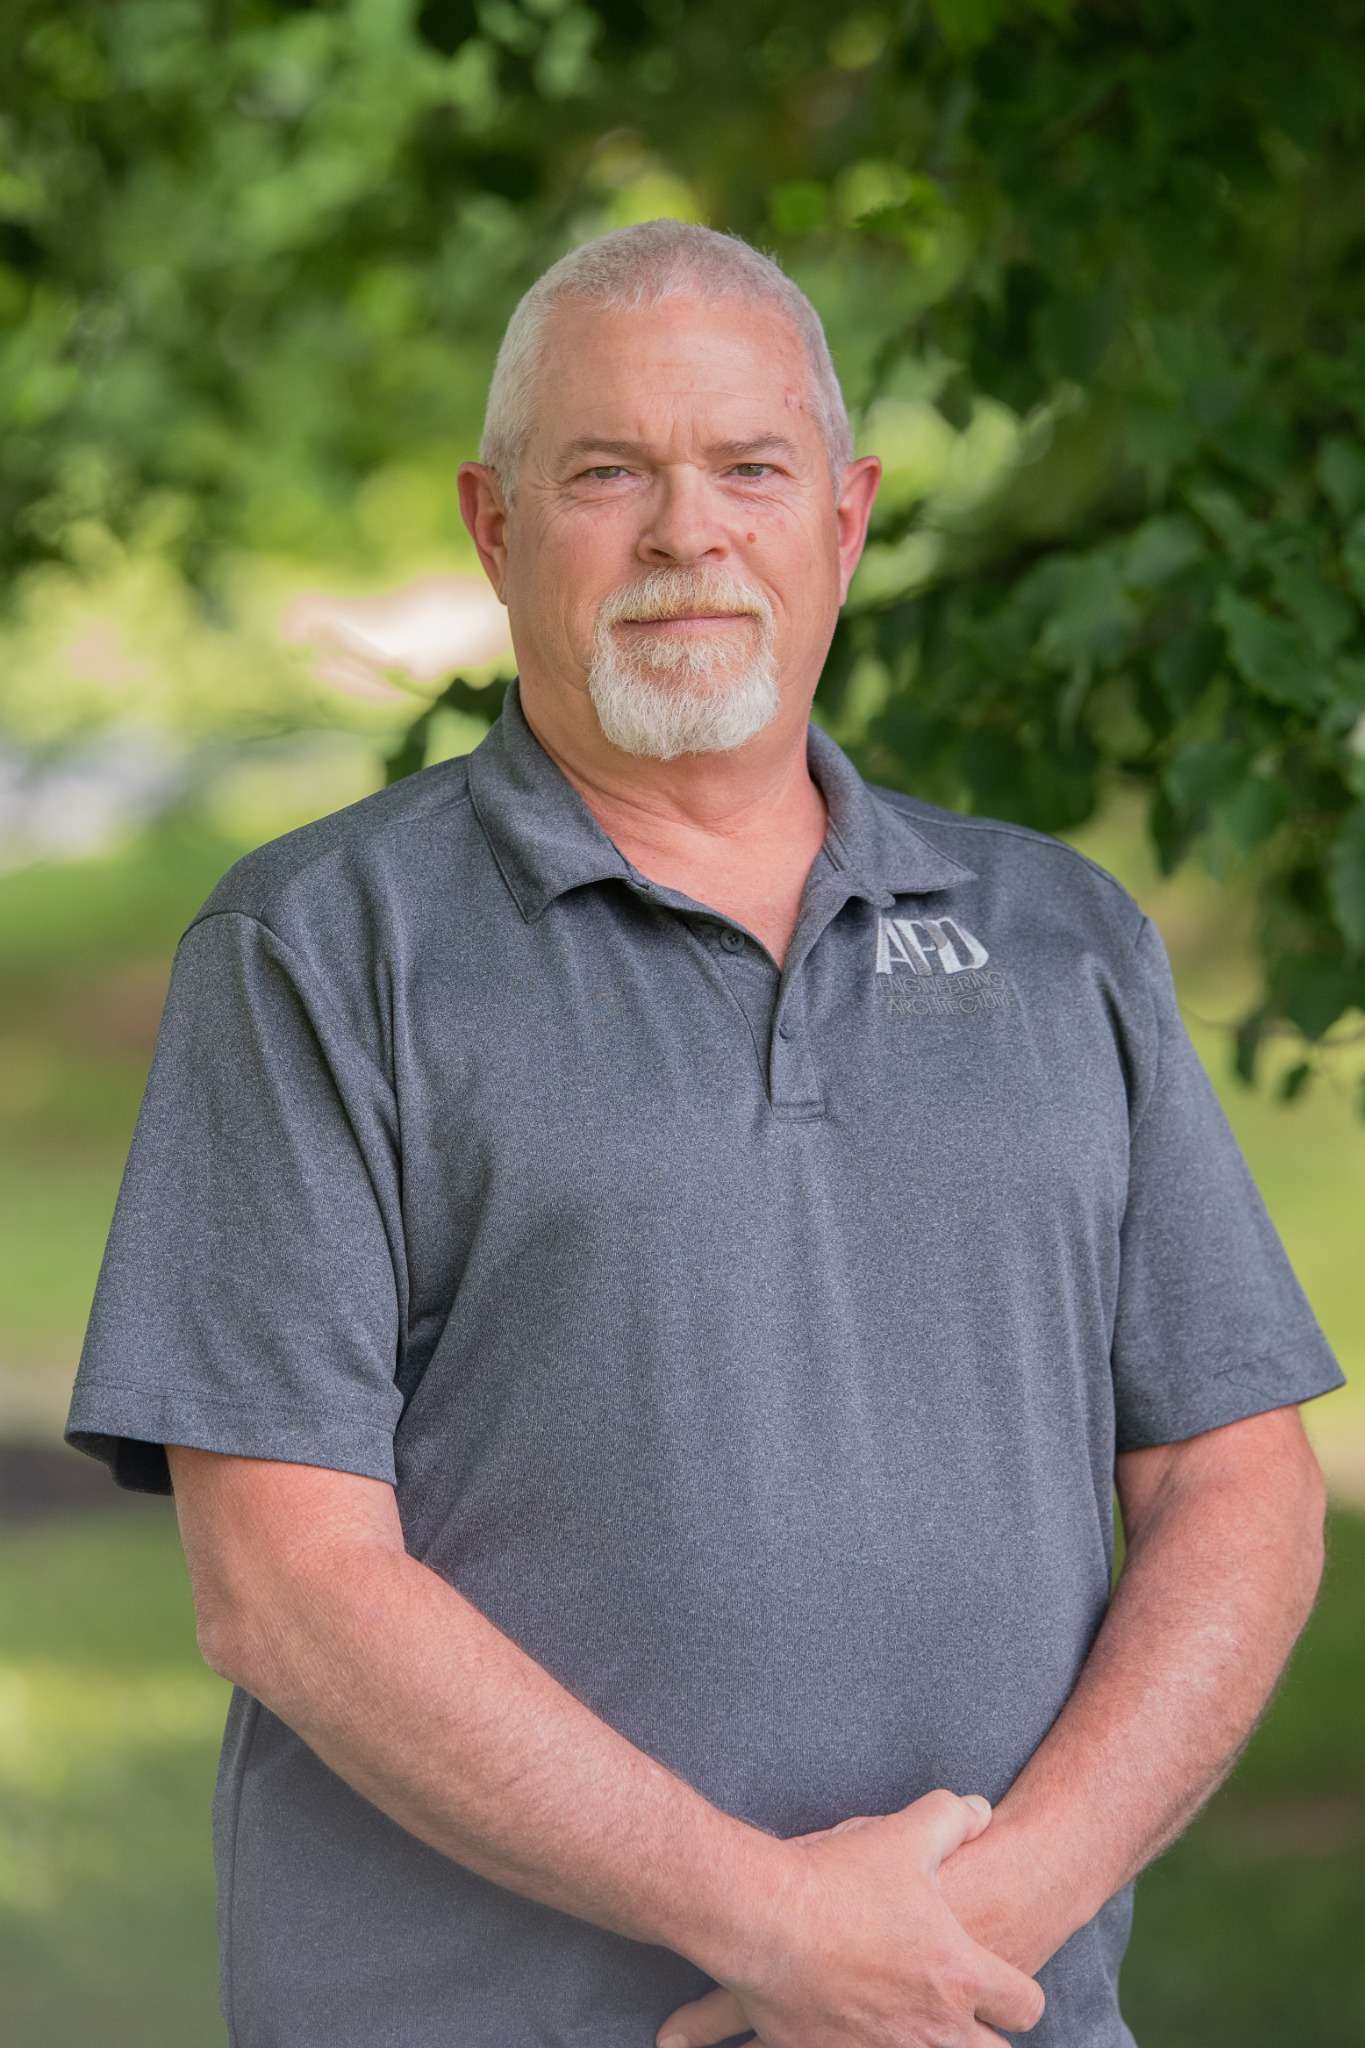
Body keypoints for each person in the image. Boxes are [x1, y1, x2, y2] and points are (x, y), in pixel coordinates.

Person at [63, 219, 1346, 2048]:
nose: (687, 533)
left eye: (749, 468)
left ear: (843, 516)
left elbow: (1238, 1480)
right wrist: (776, 1927)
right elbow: (285, 1583)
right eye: (608, 474)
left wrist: (975, 1930)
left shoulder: (1062, 937)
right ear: (494, 526)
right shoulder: (322, 949)